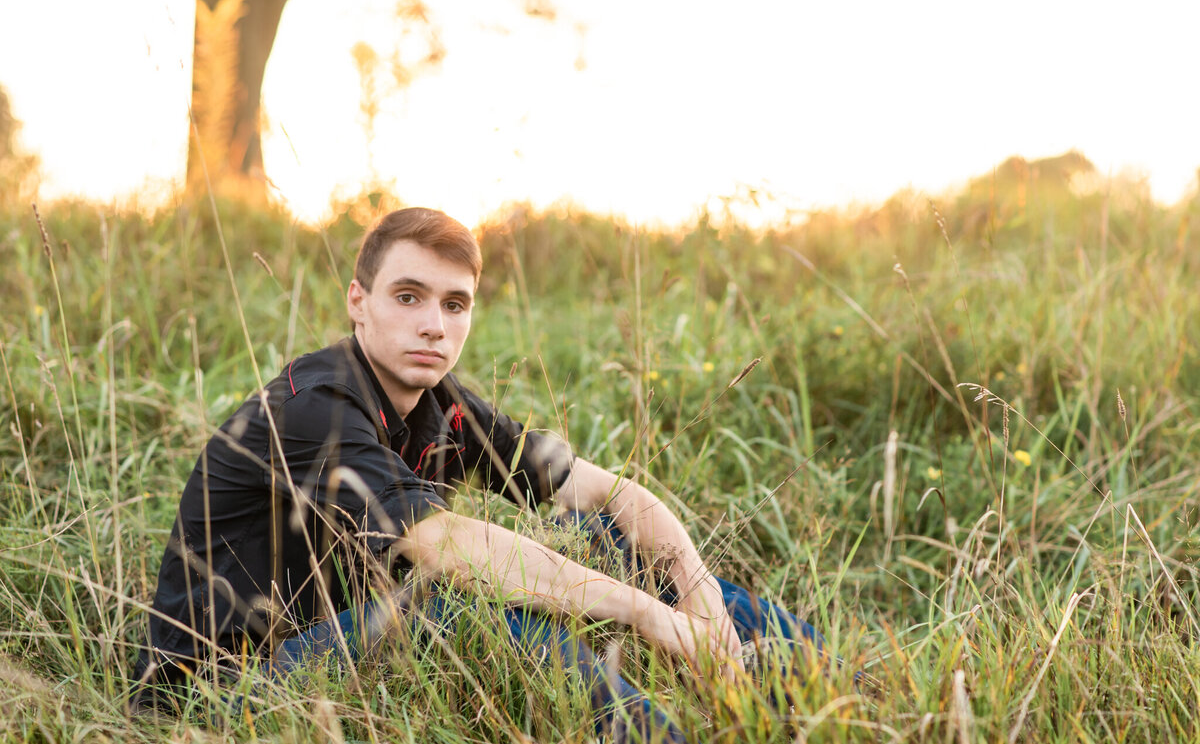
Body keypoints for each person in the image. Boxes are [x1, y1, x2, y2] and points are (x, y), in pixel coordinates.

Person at [132, 207, 827, 740]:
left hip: (342, 629)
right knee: (451, 600)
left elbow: (611, 492)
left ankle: (818, 678)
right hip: (223, 692)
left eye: (454, 303)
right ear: (358, 301)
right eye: (408, 297)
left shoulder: (444, 404)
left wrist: (690, 584)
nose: (434, 324)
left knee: (603, 536)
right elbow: (441, 543)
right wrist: (645, 614)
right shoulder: (315, 404)